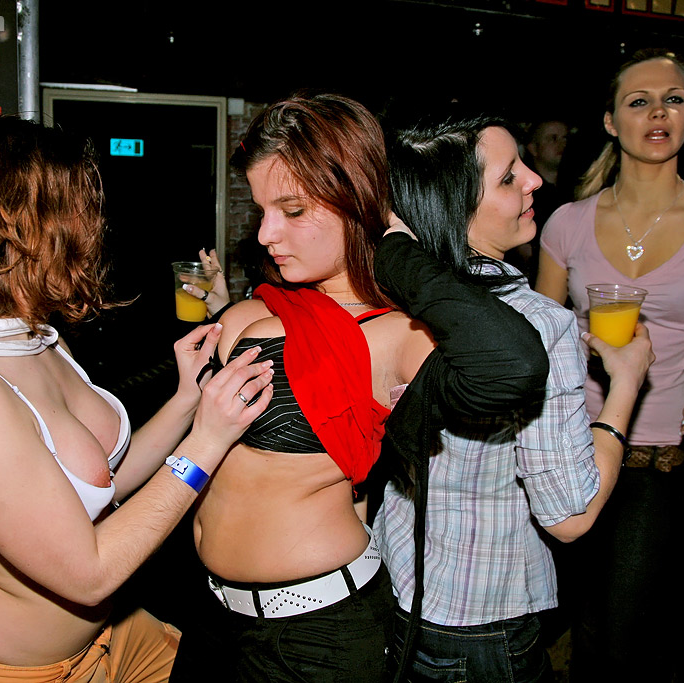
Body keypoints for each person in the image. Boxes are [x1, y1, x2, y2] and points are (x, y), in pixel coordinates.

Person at [0, 115, 275, 683]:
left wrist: (188, 400)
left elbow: (102, 483)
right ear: (26, 228)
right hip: (23, 671)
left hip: (117, 638)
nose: (92, 234)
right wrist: (205, 445)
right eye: (78, 215)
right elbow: (89, 573)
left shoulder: (34, 338)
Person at [168, 92, 551, 682]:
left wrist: (395, 248)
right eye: (264, 210)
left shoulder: (399, 335)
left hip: (316, 638)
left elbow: (513, 365)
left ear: (357, 201)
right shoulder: (266, 305)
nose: (266, 233)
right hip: (213, 615)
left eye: (293, 211)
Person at [376, 108, 654, 683]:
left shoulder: (392, 304)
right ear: (455, 209)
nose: (533, 180)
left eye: (523, 165)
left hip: (398, 594)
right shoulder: (540, 325)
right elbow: (570, 517)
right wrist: (625, 384)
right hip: (486, 621)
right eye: (507, 178)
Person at [535, 49, 684, 681]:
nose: (658, 112)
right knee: (548, 624)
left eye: (673, 99)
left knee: (618, 641)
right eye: (639, 101)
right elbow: (538, 337)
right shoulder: (568, 223)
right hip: (564, 448)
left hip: (652, 457)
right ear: (611, 122)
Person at [505, 118, 569, 281]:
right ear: (533, 148)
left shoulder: (577, 189)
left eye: (565, 138)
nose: (562, 144)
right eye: (552, 138)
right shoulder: (523, 193)